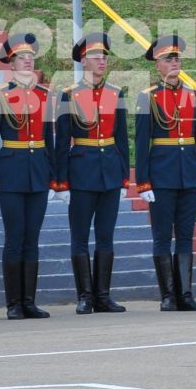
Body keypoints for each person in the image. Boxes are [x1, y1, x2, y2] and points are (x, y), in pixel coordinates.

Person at [134, 33, 196, 313]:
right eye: (169, 58)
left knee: (187, 236)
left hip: (188, 173)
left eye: (177, 57)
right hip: (162, 175)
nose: (175, 62)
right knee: (163, 236)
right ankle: (168, 295)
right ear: (157, 65)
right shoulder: (148, 98)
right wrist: (143, 181)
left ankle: (186, 294)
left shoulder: (193, 95)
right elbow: (141, 144)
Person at [0, 32, 53, 319]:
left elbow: (50, 140)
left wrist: (55, 178)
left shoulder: (44, 96)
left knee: (32, 239)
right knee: (14, 238)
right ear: (10, 64)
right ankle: (13, 303)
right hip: (10, 172)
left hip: (38, 173)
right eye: (21, 57)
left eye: (31, 58)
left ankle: (29, 301)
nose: (27, 61)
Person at [53, 35, 127, 314]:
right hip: (81, 171)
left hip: (109, 170)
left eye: (105, 56)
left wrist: (123, 176)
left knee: (106, 236)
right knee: (80, 236)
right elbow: (62, 142)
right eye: (96, 56)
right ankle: (85, 295)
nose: (102, 61)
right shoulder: (69, 95)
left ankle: (103, 295)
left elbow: (121, 138)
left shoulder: (116, 93)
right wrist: (61, 182)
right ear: (83, 61)